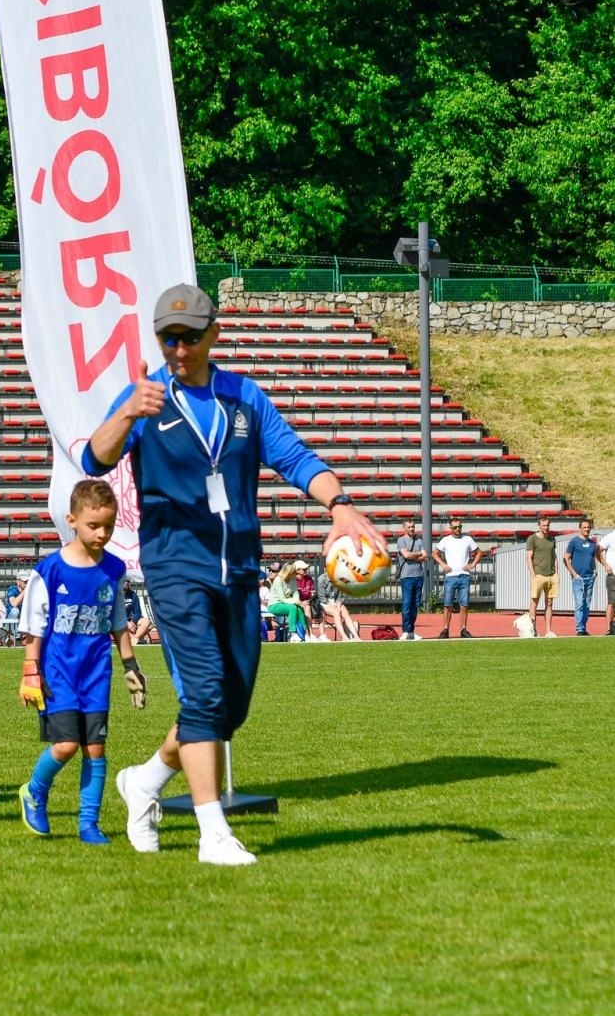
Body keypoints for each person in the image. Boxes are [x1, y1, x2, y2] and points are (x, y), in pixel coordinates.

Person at [82, 283, 385, 867]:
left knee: (229, 711)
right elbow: (94, 458)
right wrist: (126, 411)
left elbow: (294, 457)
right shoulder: (144, 398)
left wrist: (340, 506)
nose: (178, 348)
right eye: (168, 338)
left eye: (190, 337)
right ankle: (212, 833)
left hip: (240, 568)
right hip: (175, 567)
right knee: (205, 693)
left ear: (213, 335)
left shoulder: (243, 397)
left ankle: (143, 782)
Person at [17, 479, 145, 845]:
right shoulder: (50, 570)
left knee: (96, 749)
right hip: (58, 672)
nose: (102, 533)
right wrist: (30, 671)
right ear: (71, 520)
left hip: (96, 675)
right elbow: (35, 627)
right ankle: (34, 791)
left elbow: (118, 623)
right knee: (66, 746)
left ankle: (89, 824)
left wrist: (130, 667)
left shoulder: (113, 570)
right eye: (94, 525)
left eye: (108, 525)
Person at [433, 519, 480, 639]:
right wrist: (443, 565)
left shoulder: (467, 539)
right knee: (447, 604)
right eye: (455, 527)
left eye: (459, 527)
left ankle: (463, 629)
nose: (458, 529)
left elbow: (479, 552)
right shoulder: (446, 540)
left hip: (464, 576)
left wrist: (472, 564)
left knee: (464, 604)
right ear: (451, 528)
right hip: (450, 576)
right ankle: (445, 629)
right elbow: (435, 553)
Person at [561, 518, 600, 637]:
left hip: (589, 577)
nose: (587, 529)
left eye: (588, 527)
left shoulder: (593, 543)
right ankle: (579, 629)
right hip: (578, 579)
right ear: (580, 528)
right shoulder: (574, 541)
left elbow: (593, 558)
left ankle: (583, 628)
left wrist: (595, 570)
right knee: (579, 603)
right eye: (584, 527)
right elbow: (566, 558)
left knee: (587, 604)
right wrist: (573, 573)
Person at [525, 515, 559, 637]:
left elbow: (554, 556)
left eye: (547, 525)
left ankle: (548, 630)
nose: (546, 527)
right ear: (539, 525)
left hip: (551, 575)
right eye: (543, 525)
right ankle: (532, 629)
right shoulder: (532, 539)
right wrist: (533, 574)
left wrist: (557, 573)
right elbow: (529, 557)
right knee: (534, 602)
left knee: (549, 603)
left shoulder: (552, 539)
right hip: (538, 574)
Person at [393, 520, 427, 640]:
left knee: (415, 605)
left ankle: (411, 631)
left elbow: (425, 556)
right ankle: (406, 630)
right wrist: (418, 555)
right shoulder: (401, 540)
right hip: (406, 576)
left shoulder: (419, 540)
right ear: (404, 529)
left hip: (418, 575)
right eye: (409, 527)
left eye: (413, 527)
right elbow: (406, 556)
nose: (412, 529)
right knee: (407, 604)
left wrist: (414, 554)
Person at [315, 561, 360, 641]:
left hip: (335, 602)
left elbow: (340, 595)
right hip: (324, 603)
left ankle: (356, 636)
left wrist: (338, 604)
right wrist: (330, 604)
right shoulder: (321, 579)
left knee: (345, 612)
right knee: (336, 612)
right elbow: (321, 597)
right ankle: (344, 637)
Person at [266, 561, 310, 642]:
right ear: (288, 572)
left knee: (300, 608)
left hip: (286, 603)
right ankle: (293, 633)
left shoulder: (292, 579)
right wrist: (295, 602)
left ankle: (304, 634)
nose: (295, 573)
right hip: (274, 605)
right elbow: (282, 598)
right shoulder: (278, 580)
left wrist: (298, 601)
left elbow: (295, 592)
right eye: (293, 571)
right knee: (293, 608)